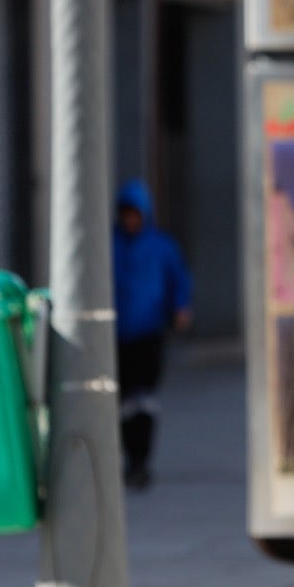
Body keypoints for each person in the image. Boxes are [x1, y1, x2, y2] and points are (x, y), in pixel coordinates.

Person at [111, 179, 193, 491]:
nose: (131, 220)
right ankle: (126, 457)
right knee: (121, 401)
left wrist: (181, 308)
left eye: (136, 214)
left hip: (148, 334)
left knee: (143, 400)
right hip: (117, 335)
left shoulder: (161, 246)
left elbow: (179, 280)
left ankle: (140, 462)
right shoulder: (110, 245)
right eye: (126, 214)